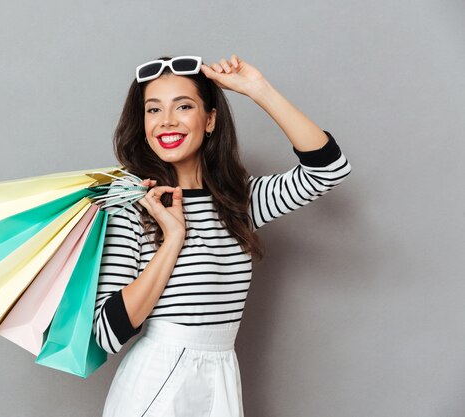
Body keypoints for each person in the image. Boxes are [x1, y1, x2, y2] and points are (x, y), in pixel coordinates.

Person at [92, 54, 352, 416]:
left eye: (183, 106)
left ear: (210, 119)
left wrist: (259, 90)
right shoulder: (136, 205)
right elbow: (107, 332)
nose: (166, 121)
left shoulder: (239, 202)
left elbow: (328, 169)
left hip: (222, 374)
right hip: (158, 381)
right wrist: (172, 240)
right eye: (153, 110)